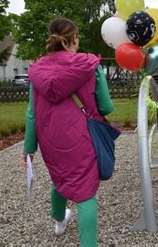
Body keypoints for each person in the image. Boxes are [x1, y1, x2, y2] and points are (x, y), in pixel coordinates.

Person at [22, 18, 114, 246]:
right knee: (84, 192)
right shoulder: (90, 66)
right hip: (81, 137)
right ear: (74, 38)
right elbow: (106, 107)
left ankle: (59, 220)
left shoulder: (37, 70)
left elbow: (32, 112)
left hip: (49, 139)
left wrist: (29, 148)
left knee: (60, 176)